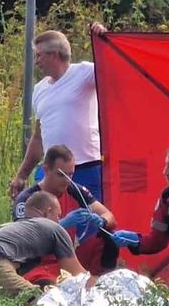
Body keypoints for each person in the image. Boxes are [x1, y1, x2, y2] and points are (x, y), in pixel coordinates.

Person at [9, 23, 108, 201]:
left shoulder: (83, 73)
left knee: (90, 223)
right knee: (45, 222)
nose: (36, 61)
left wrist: (104, 40)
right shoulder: (40, 89)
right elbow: (39, 137)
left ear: (54, 55)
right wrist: (21, 175)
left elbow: (113, 68)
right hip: (49, 171)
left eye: (39, 55)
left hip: (85, 167)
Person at [0, 192, 89, 299]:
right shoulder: (54, 228)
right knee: (46, 305)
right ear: (48, 212)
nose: (59, 220)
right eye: (58, 215)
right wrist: (98, 283)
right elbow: (78, 276)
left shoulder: (12, 227)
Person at [13, 144, 119, 274]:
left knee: (110, 238)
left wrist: (102, 221)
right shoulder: (27, 199)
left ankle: (99, 281)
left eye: (71, 174)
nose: (67, 180)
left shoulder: (74, 190)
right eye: (61, 175)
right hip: (42, 260)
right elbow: (25, 239)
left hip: (68, 255)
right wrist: (61, 224)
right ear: (46, 170)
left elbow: (109, 216)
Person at [110, 141, 169, 258]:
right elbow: (157, 241)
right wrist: (134, 240)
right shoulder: (168, 199)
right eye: (166, 165)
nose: (165, 172)